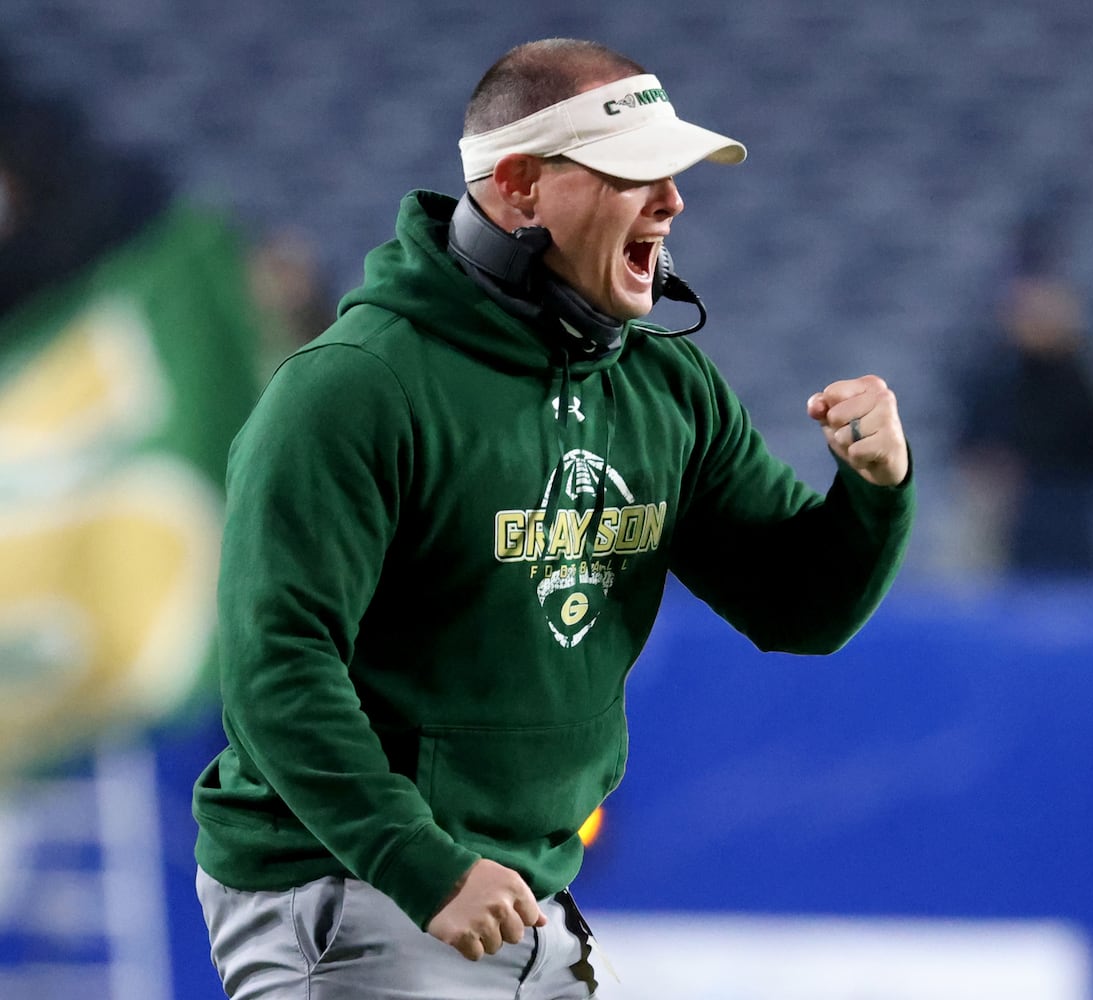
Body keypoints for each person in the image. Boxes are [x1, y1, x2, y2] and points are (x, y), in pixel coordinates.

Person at [191, 38, 914, 1000]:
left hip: (522, 900)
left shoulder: (666, 386)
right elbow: (274, 663)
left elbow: (800, 608)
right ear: (523, 188)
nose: (671, 200)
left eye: (673, 174)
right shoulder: (355, 389)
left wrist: (873, 489)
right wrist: (422, 864)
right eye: (634, 173)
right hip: (351, 882)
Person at [955, 275, 1093, 576]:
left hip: (1069, 504)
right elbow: (971, 440)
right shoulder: (996, 375)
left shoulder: (1082, 382)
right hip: (1006, 508)